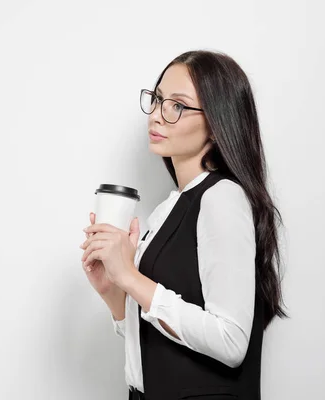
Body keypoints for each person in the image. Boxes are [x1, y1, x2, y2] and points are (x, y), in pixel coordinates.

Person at [79, 50, 288, 400]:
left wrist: (131, 276)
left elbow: (231, 340)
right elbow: (157, 344)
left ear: (218, 121)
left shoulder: (222, 197)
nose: (157, 116)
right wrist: (115, 291)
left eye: (177, 106)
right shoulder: (170, 208)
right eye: (158, 99)